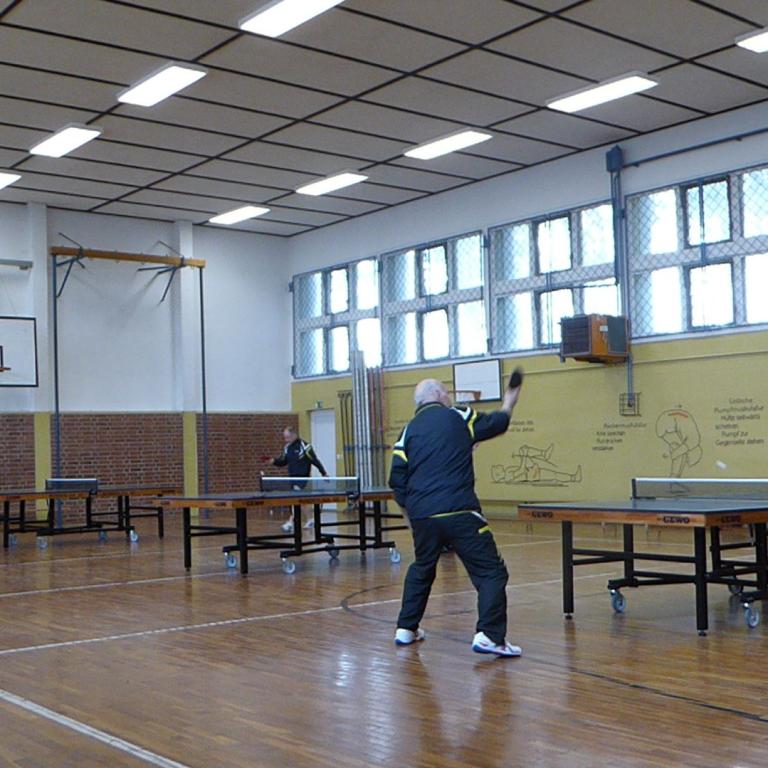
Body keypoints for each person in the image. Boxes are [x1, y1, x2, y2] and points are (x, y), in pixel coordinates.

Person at [389, 377, 522, 657]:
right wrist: (509, 401)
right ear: (438, 394)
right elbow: (497, 423)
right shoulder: (457, 415)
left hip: (423, 516)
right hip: (459, 510)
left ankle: (406, 628)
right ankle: (490, 636)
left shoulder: (407, 431)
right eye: (446, 392)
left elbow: (397, 481)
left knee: (423, 567)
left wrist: (411, 519)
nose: (449, 397)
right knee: (491, 571)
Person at [270, 426, 328, 532]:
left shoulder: (305, 447)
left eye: (287, 437)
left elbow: (315, 460)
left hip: (302, 478)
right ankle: (310, 520)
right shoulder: (287, 448)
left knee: (295, 499)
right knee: (301, 501)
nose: (286, 440)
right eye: (285, 437)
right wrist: (274, 461)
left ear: (294, 435)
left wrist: (323, 473)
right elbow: (283, 461)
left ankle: (290, 522)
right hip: (292, 478)